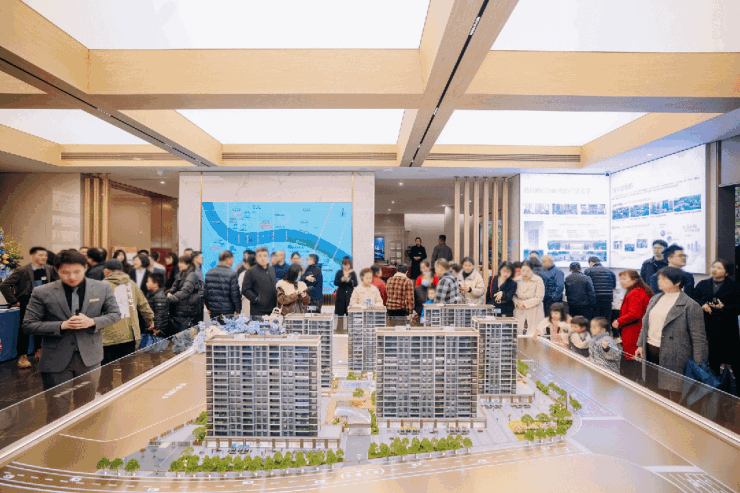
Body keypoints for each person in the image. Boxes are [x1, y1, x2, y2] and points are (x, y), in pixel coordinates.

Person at [22, 250, 121, 423]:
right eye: (65, 272)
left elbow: (115, 315)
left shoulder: (102, 287)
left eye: (77, 271)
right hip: (55, 358)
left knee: (86, 410)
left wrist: (92, 321)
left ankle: (84, 438)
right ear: (56, 271)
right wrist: (61, 325)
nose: (72, 277)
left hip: (89, 357)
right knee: (57, 412)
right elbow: (28, 324)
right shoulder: (42, 292)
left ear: (85, 268)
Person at [636, 267, 708, 398]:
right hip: (651, 350)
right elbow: (645, 324)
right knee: (653, 389)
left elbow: (699, 338)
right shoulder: (655, 299)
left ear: (677, 282)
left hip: (676, 356)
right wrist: (640, 344)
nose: (660, 282)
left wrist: (699, 365)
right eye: (659, 278)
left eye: (664, 279)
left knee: (675, 393)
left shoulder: (690, 305)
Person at [0, 246, 58, 368]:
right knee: (24, 330)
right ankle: (22, 356)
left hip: (44, 303)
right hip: (27, 303)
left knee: (40, 328)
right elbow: (4, 285)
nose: (43, 257)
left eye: (45, 255)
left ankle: (39, 352)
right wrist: (14, 301)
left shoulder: (49, 269)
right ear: (32, 256)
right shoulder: (22, 270)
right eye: (40, 255)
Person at [100, 259, 153, 389]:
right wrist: (150, 320)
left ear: (106, 271)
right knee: (128, 367)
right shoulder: (131, 284)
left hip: (107, 334)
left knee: (106, 368)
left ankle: (106, 392)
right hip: (129, 333)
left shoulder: (101, 286)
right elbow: (143, 304)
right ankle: (129, 391)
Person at [692, 259, 740, 376]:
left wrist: (724, 307)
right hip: (709, 327)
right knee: (713, 360)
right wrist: (702, 304)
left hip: (728, 329)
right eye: (714, 267)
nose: (715, 270)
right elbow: (693, 298)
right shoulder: (703, 284)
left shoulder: (735, 286)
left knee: (734, 360)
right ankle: (715, 384)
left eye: (719, 268)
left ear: (726, 273)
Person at [612, 270, 653, 379]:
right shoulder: (637, 290)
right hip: (634, 331)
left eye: (624, 278)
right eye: (620, 279)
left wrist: (619, 321)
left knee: (632, 365)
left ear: (634, 280)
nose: (621, 281)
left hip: (634, 332)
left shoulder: (636, 293)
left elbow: (634, 314)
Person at [204, 250, 242, 323]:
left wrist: (208, 307)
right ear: (227, 260)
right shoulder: (232, 274)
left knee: (215, 328)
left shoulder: (209, 272)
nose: (232, 262)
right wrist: (238, 310)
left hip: (213, 310)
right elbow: (235, 294)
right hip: (227, 311)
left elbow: (206, 293)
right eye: (232, 260)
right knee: (227, 329)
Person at [167, 255, 202, 332]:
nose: (179, 264)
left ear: (188, 264)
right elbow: (174, 286)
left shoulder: (192, 275)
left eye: (182, 263)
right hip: (181, 306)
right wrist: (169, 292)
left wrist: (171, 298)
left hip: (188, 308)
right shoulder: (181, 273)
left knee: (186, 333)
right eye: (179, 262)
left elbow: (186, 291)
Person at [241, 246, 278, 318]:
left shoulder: (272, 269)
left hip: (272, 309)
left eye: (265, 256)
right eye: (260, 256)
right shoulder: (250, 271)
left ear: (268, 257)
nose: (263, 258)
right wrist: (256, 299)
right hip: (258, 310)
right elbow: (245, 289)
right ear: (256, 258)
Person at [513, 261, 545, 334]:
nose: (525, 273)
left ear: (532, 270)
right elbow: (513, 295)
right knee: (519, 332)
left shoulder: (538, 280)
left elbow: (539, 297)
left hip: (534, 308)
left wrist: (524, 303)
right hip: (519, 308)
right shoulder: (516, 280)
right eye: (523, 270)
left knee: (533, 333)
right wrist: (517, 303)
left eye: (528, 271)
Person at [584, 256, 617, 323]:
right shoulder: (610, 271)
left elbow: (586, 286)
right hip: (608, 298)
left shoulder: (588, 271)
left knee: (596, 319)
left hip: (595, 298)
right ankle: (606, 329)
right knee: (606, 319)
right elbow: (614, 286)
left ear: (591, 262)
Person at [145, 272, 169, 339]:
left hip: (156, 331)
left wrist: (156, 328)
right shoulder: (151, 293)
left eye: (148, 281)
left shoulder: (159, 296)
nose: (146, 283)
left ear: (155, 284)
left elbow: (160, 313)